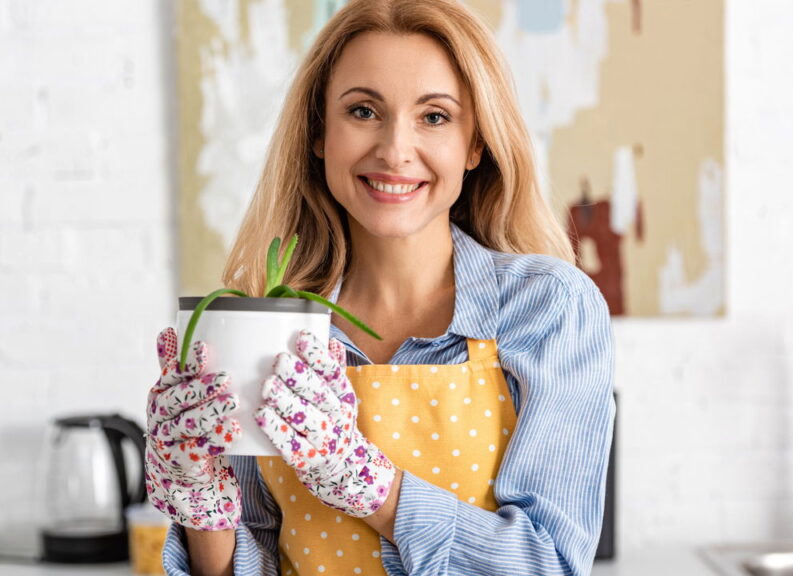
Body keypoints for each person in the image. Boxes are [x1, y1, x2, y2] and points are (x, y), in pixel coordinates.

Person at [145, 0, 615, 574]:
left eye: (434, 117)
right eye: (364, 111)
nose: (395, 150)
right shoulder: (269, 324)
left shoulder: (549, 308)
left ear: (476, 144)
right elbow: (257, 558)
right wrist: (200, 500)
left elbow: (551, 564)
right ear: (320, 133)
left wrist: (366, 484)